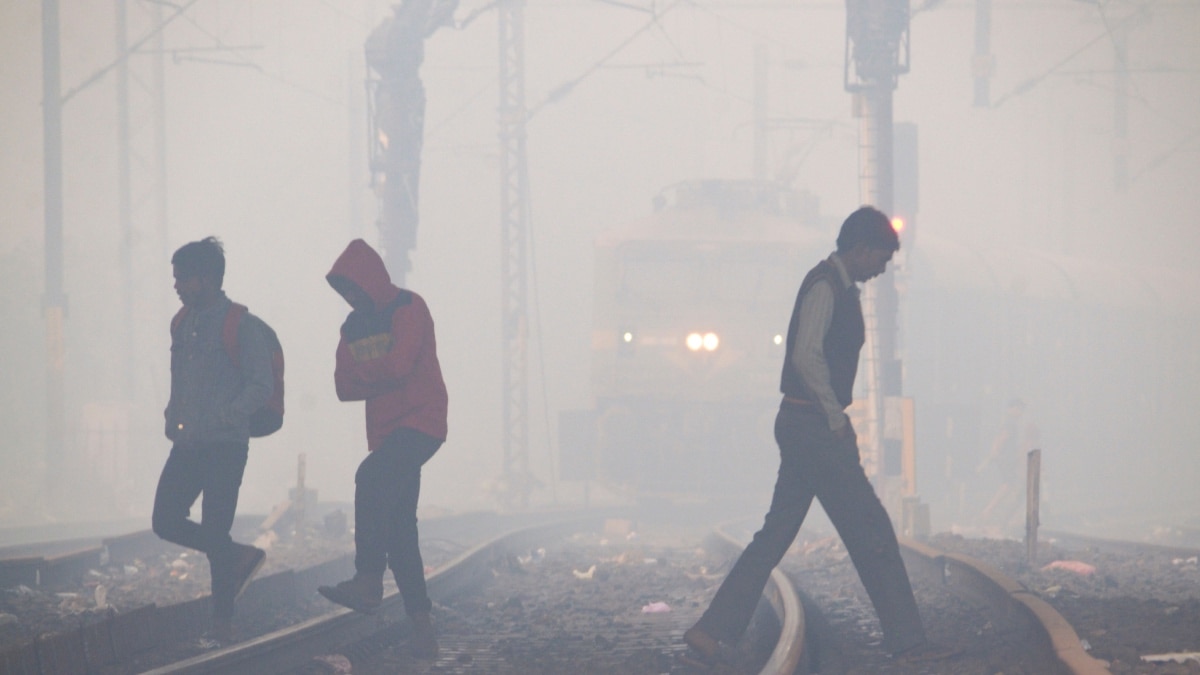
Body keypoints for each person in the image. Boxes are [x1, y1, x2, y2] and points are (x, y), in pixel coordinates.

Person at [683, 207, 947, 667]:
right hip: (814, 427)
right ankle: (908, 640)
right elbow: (808, 356)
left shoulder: (838, 286)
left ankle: (711, 630)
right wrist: (835, 419)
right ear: (860, 249)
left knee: (775, 534)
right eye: (880, 259)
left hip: (801, 425)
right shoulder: (826, 286)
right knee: (871, 530)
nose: (881, 269)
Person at [318, 239, 448, 660]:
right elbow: (342, 386)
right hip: (389, 433)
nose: (351, 297)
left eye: (354, 288)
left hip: (421, 421)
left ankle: (368, 580)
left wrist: (369, 374)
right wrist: (381, 374)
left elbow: (400, 365)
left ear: (370, 280)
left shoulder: (409, 308)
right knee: (400, 529)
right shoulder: (352, 327)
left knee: (369, 476)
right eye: (345, 292)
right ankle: (421, 626)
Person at [152, 236, 270, 643]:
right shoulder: (182, 323)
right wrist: (172, 413)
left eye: (183, 277)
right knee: (164, 520)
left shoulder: (242, 325)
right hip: (187, 445)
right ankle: (237, 556)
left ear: (206, 279)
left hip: (226, 446)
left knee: (215, 530)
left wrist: (226, 416)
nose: (177, 285)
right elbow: (179, 377)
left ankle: (223, 623)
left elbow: (261, 385)